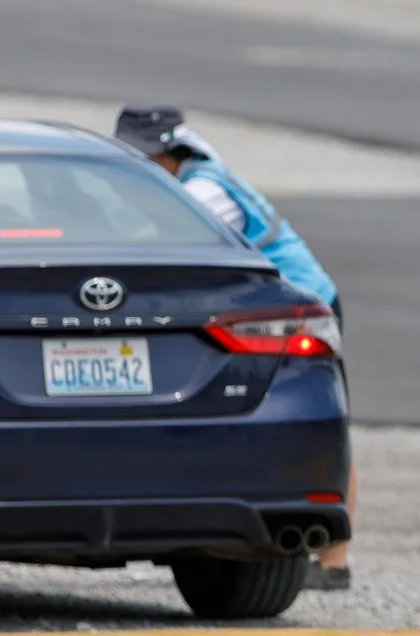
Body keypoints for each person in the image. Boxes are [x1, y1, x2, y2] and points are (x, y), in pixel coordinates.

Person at [114, 106, 355, 589]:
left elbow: (171, 248)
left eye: (143, 157)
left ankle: (334, 561)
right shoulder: (200, 172)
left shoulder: (203, 192)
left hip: (302, 307)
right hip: (277, 311)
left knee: (324, 422)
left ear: (166, 155)